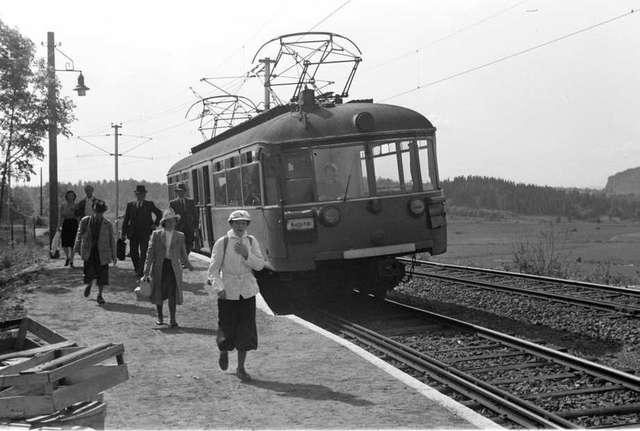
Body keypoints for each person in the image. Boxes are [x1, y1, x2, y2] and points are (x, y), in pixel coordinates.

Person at [208, 210, 265, 381]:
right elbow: (213, 270)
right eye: (237, 223)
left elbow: (260, 265)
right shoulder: (222, 242)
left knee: (246, 330)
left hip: (247, 292)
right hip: (228, 292)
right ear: (231, 224)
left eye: (243, 223)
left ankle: (241, 367)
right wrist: (219, 288)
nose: (240, 226)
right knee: (227, 327)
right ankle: (224, 351)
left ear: (247, 225)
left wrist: (247, 254)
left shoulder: (251, 241)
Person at [143, 209, 194, 327]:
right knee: (158, 292)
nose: (171, 224)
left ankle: (173, 319)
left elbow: (183, 254)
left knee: (172, 293)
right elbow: (150, 254)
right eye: (168, 221)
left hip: (173, 268)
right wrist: (146, 271)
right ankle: (160, 317)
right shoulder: (156, 235)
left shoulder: (180, 236)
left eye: (173, 221)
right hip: (160, 267)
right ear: (164, 223)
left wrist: (189, 265)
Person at [74, 200, 116, 305]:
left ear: (103, 212)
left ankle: (100, 295)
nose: (98, 214)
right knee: (89, 273)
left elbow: (112, 240)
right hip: (89, 251)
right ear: (93, 210)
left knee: (102, 275)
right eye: (97, 211)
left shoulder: (107, 224)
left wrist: (114, 255)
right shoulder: (85, 221)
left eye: (101, 212)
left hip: (103, 252)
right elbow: (79, 235)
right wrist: (76, 248)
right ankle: (89, 284)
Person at [121, 185, 162, 277]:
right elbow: (126, 220)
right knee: (133, 253)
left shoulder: (149, 204)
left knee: (144, 252)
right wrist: (123, 233)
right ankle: (137, 269)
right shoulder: (130, 205)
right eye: (138, 194)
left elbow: (159, 213)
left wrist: (155, 224)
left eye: (142, 194)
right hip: (133, 233)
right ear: (136, 194)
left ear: (145, 195)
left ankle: (140, 271)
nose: (140, 196)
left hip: (145, 233)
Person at [169, 183, 198, 253]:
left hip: (189, 228)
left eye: (181, 191)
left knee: (189, 245)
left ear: (185, 192)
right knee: (179, 245)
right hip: (178, 228)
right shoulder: (173, 203)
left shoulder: (191, 202)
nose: (180, 193)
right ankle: (182, 260)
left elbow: (195, 215)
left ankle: (185, 259)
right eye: (178, 191)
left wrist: (196, 227)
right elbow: (171, 216)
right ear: (176, 193)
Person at [59, 190, 79, 267]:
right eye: (69, 195)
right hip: (66, 223)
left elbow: (78, 216)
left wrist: (80, 226)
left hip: (74, 224)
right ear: (66, 197)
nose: (70, 197)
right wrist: (59, 226)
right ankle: (68, 257)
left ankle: (71, 261)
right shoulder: (63, 205)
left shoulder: (76, 205)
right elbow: (61, 216)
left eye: (72, 195)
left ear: (74, 196)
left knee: (73, 244)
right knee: (64, 243)